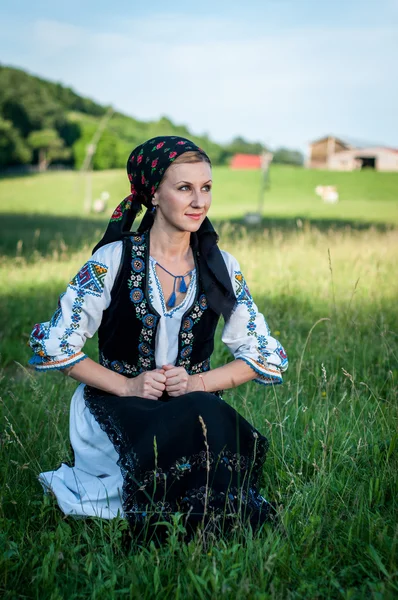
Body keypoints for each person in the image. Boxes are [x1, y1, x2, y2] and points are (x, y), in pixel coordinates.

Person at [29, 136, 288, 541]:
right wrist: (128, 384)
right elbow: (53, 345)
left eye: (206, 188)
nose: (199, 201)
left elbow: (264, 355)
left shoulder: (221, 265)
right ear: (154, 193)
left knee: (203, 413)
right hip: (115, 407)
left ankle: (209, 528)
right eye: (184, 188)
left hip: (194, 409)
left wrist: (198, 383)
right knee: (191, 432)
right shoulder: (112, 260)